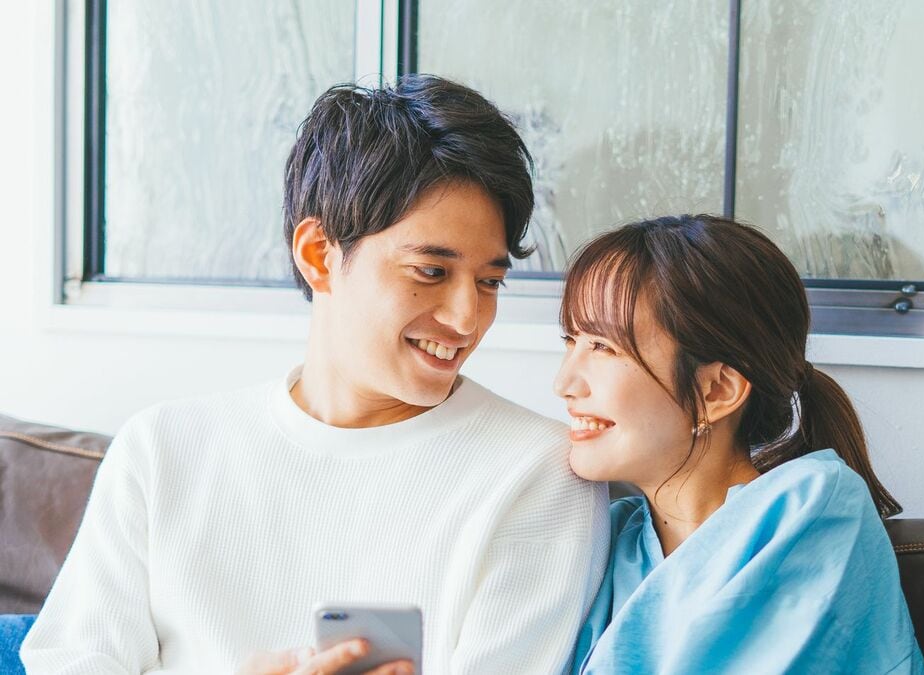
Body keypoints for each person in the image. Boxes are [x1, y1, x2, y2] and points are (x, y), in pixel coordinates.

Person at [22, 76, 608, 674]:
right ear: (318, 254)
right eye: (431, 271)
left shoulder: (538, 473)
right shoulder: (161, 450)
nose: (467, 318)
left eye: (489, 281)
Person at [555, 214, 924, 674]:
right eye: (570, 341)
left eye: (603, 347)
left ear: (717, 391)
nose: (564, 384)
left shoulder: (813, 508)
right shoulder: (608, 539)